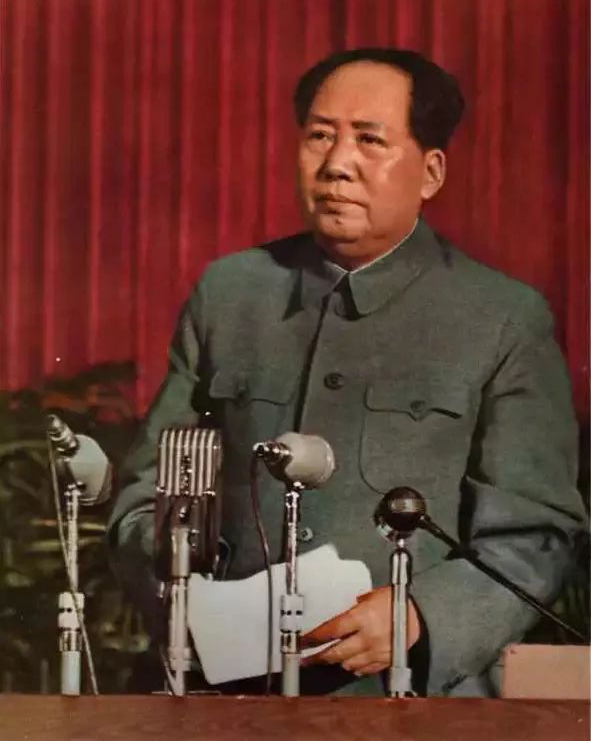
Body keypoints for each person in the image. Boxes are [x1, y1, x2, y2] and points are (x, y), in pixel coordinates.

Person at [107, 47, 586, 697]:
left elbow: (536, 533)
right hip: (223, 694)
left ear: (431, 172)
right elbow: (146, 496)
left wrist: (421, 616)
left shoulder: (502, 317)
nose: (337, 163)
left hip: (407, 699)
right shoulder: (231, 294)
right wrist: (184, 598)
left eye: (370, 140)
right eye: (319, 136)